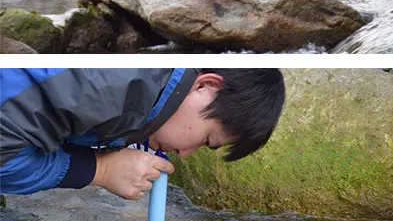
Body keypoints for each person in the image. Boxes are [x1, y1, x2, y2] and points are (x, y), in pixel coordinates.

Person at [0, 68, 285, 199]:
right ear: (205, 86)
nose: (185, 153)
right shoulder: (106, 86)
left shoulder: (141, 91)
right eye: (207, 140)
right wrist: (100, 169)